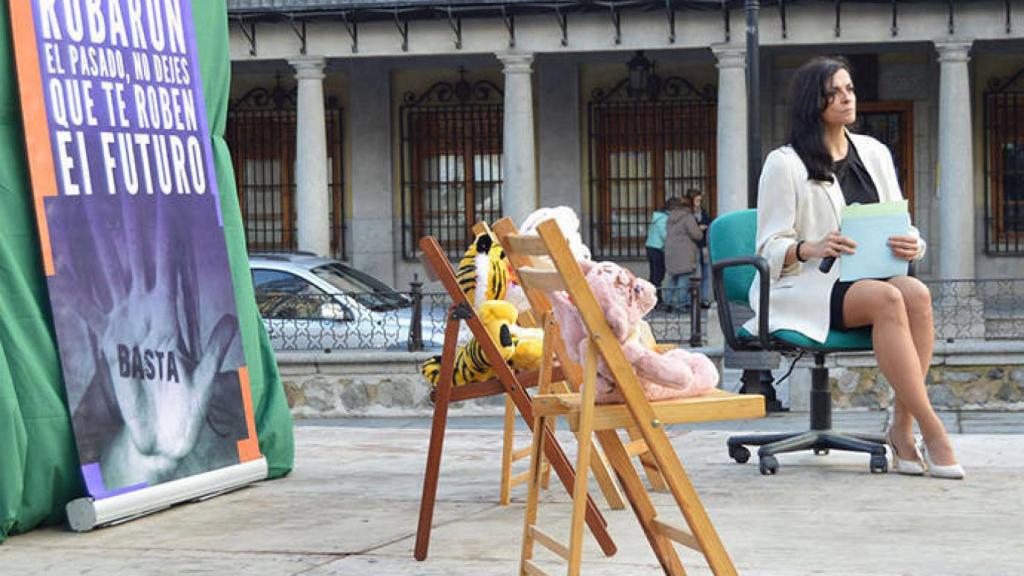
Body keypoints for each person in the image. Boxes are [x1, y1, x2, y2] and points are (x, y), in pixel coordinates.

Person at [749, 56, 964, 479]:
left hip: (872, 271)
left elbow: (898, 221)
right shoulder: (785, 162)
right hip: (809, 284)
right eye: (835, 92)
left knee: (916, 293)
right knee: (887, 297)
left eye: (849, 89)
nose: (847, 98)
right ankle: (933, 429)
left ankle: (901, 429)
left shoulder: (875, 152)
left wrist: (912, 242)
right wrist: (810, 247)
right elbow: (768, 248)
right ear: (814, 102)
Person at [664, 191, 703, 313]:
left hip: (670, 251)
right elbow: (696, 234)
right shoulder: (688, 217)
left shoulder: (671, 217)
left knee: (673, 278)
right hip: (684, 253)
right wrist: (701, 229)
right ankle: (681, 305)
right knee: (683, 279)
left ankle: (668, 302)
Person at [645, 196, 678, 308]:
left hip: (652, 248)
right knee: (657, 275)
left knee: (656, 275)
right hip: (657, 249)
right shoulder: (663, 219)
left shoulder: (658, 217)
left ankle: (654, 299)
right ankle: (654, 300)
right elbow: (665, 236)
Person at [691, 191, 713, 309]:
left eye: (700, 200)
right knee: (695, 275)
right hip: (693, 247)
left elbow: (708, 223)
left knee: (706, 274)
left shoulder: (703, 212)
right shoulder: (688, 214)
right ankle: (694, 300)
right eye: (696, 200)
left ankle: (704, 299)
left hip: (704, 246)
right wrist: (698, 228)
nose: (698, 203)